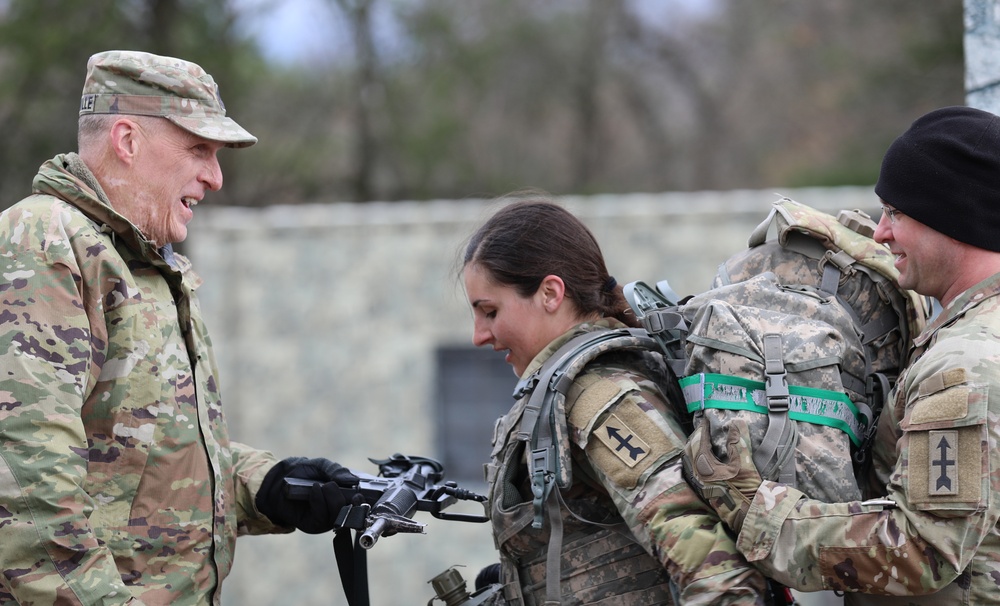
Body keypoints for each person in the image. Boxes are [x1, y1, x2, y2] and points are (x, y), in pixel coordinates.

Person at [0, 50, 357, 605]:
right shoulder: (44, 240)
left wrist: (266, 485)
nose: (215, 177)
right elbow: (24, 479)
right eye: (199, 149)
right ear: (127, 140)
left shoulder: (145, 264)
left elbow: (138, 456)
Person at [683, 105, 1000, 605]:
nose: (880, 233)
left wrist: (750, 506)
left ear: (952, 217)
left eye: (897, 213)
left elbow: (922, 549)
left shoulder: (964, 366)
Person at [461, 197, 770, 605]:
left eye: (490, 311)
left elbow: (715, 571)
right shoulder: (570, 388)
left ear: (551, 293)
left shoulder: (600, 397)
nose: (479, 335)